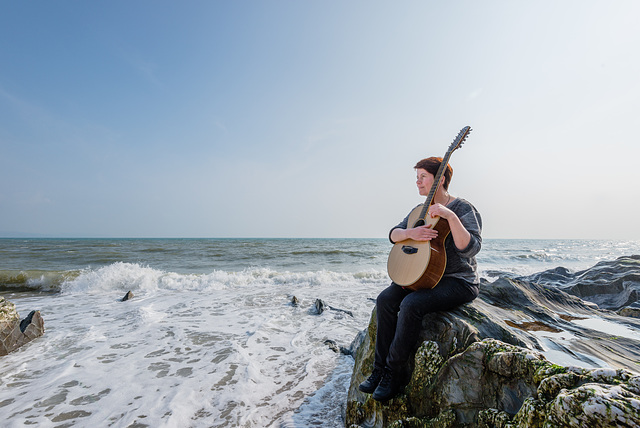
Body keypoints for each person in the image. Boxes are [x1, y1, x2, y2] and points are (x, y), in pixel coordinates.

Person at [359, 156, 482, 402]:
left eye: (422, 177)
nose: (417, 183)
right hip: (424, 275)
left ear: (440, 180)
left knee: (411, 304)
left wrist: (450, 216)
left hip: (458, 281)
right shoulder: (420, 210)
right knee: (385, 299)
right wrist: (410, 232)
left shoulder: (463, 208)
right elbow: (393, 235)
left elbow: (471, 248)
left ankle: (393, 374)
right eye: (417, 178)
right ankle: (378, 370)